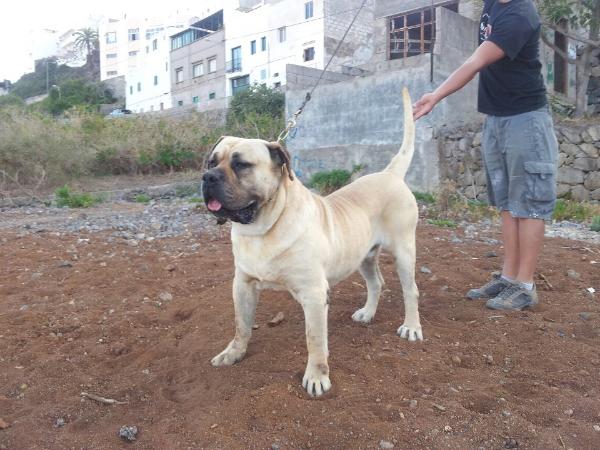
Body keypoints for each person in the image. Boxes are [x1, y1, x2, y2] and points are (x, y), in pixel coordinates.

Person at [413, 0, 558, 311]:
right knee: (506, 202)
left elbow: (474, 63)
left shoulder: (520, 14)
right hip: (496, 117)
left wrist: (435, 95)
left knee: (530, 202)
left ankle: (525, 284)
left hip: (526, 118)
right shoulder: (492, 4)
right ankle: (508, 277)